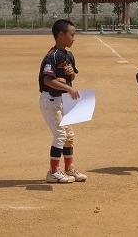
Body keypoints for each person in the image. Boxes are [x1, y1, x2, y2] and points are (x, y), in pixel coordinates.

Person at [38, 19, 87, 183]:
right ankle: (53, 172)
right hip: (51, 100)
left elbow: (71, 76)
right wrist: (69, 88)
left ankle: (69, 169)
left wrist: (72, 73)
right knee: (60, 134)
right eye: (72, 35)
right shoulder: (51, 56)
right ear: (61, 35)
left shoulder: (69, 55)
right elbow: (48, 80)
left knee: (69, 135)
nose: (74, 38)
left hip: (64, 100)